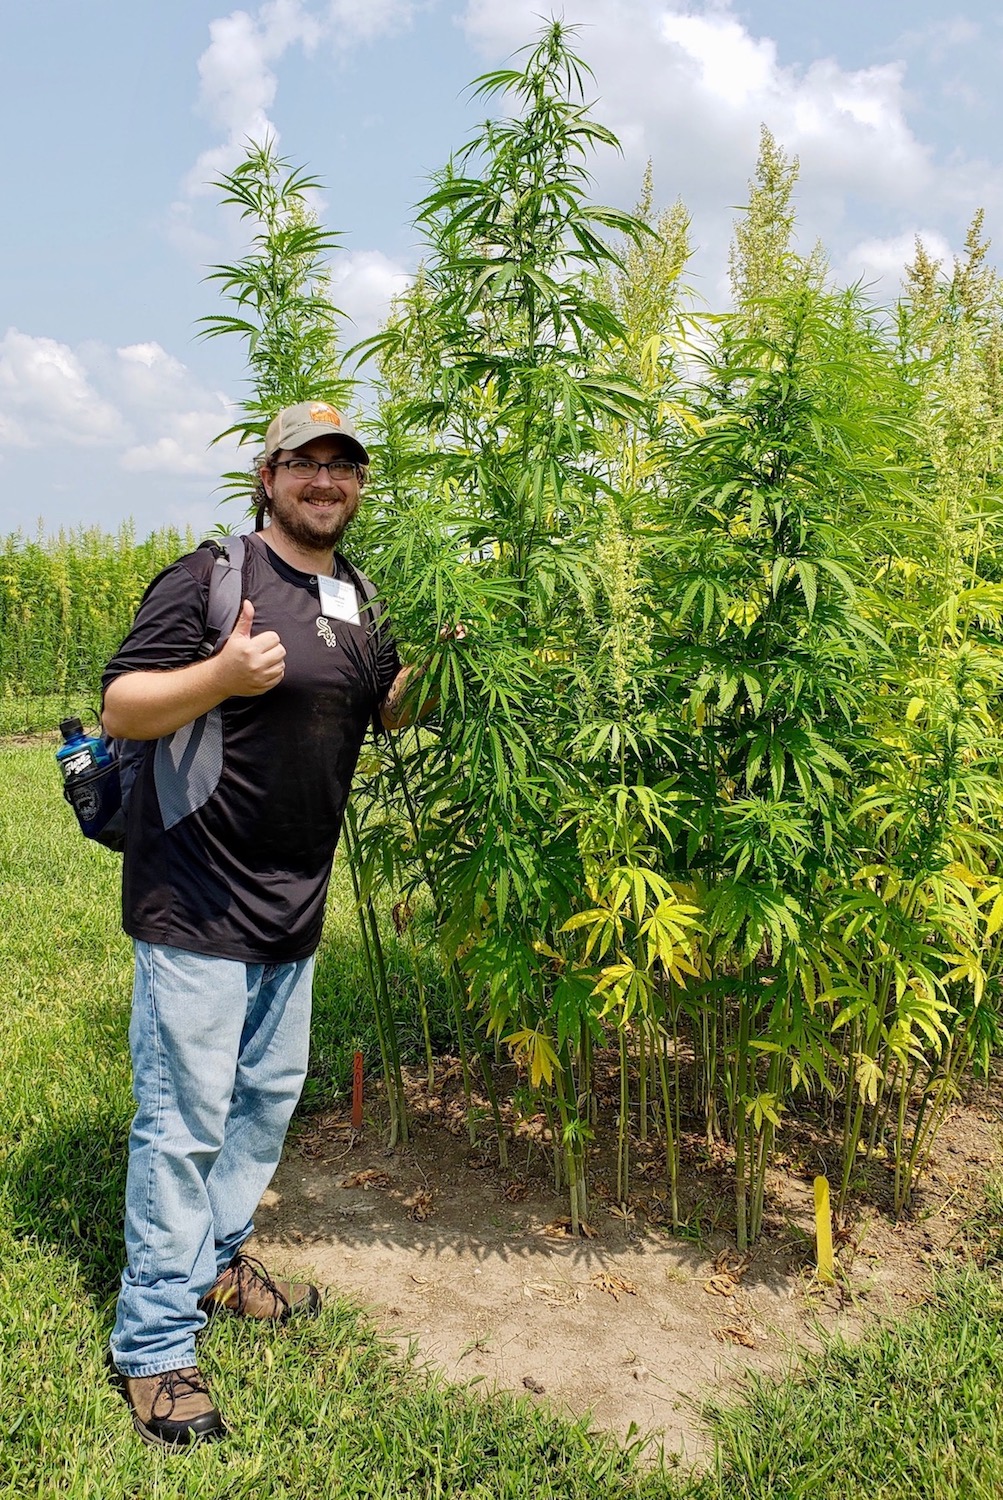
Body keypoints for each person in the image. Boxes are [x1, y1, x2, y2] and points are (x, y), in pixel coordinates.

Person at [101, 401, 413, 1449]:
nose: (326, 480)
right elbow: (124, 706)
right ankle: (151, 1345)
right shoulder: (210, 577)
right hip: (195, 895)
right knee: (183, 1121)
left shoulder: (358, 595)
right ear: (268, 475)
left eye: (344, 465)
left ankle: (217, 1257)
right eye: (305, 464)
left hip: (293, 900)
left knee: (262, 1107)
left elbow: (383, 703)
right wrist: (222, 677)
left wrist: (450, 662)